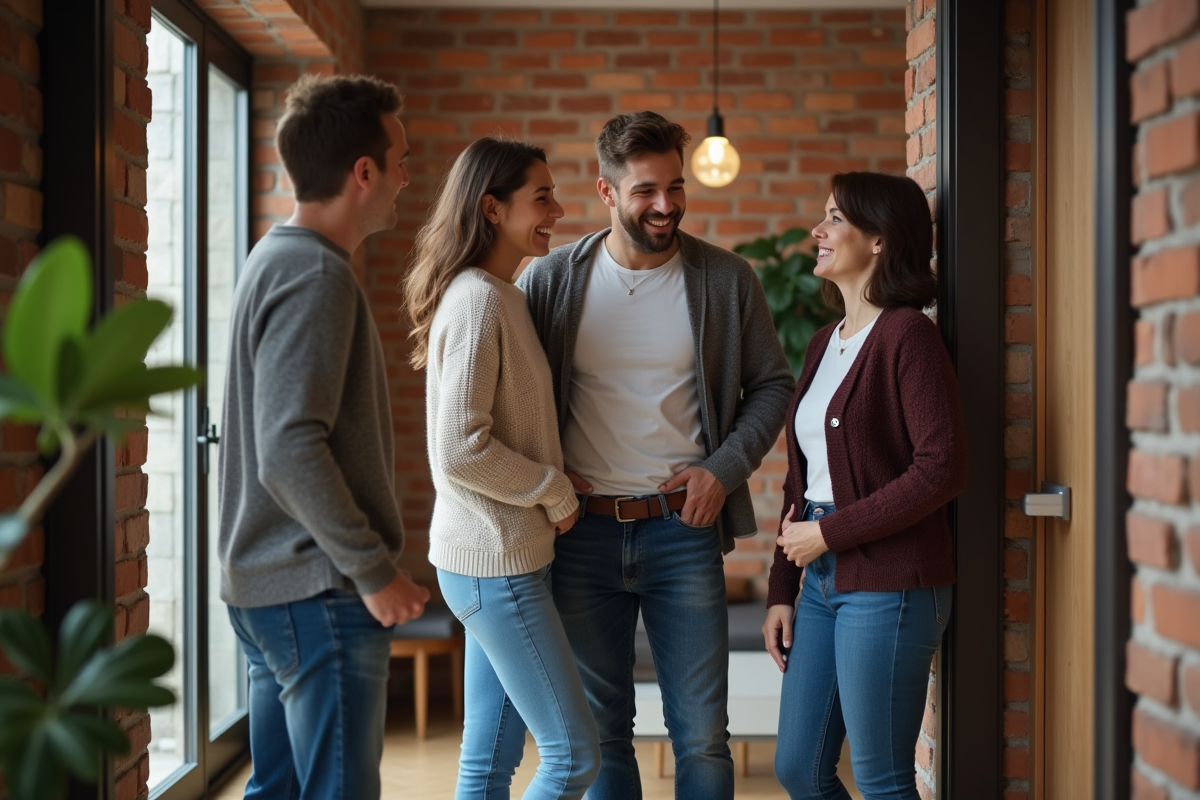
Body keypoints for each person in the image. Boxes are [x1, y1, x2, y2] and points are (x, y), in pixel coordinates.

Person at [518, 111, 794, 800]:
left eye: (675, 185)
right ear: (608, 193)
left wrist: (722, 469)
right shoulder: (550, 282)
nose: (666, 205)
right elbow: (510, 404)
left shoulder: (727, 281)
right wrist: (547, 481)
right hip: (579, 532)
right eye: (645, 190)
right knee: (602, 730)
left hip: (684, 531)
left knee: (702, 735)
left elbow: (773, 386)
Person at [218, 73, 430, 800]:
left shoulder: (276, 257)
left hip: (271, 587)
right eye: (400, 158)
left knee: (275, 790)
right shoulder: (315, 275)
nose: (408, 176)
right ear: (362, 172)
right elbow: (289, 447)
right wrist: (373, 571)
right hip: (318, 590)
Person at [761, 172, 968, 800]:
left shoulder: (909, 335)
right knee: (798, 768)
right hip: (821, 579)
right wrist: (781, 588)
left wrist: (827, 533)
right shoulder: (825, 342)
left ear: (878, 240)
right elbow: (804, 479)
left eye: (834, 220)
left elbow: (943, 466)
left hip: (892, 583)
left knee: (881, 779)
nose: (817, 233)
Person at [405, 137, 601, 800]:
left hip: (495, 558)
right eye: (540, 196)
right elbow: (458, 447)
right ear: (492, 208)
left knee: (487, 761)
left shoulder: (501, 295)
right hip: (496, 563)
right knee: (573, 756)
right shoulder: (480, 300)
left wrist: (558, 477)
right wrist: (554, 491)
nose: (559, 208)